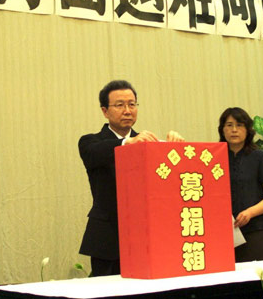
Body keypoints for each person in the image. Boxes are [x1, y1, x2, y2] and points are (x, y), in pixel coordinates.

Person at [78, 80, 184, 277]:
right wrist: (128, 142)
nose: (127, 110)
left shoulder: (149, 143)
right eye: (120, 105)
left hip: (145, 235)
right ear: (105, 111)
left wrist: (174, 148)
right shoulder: (90, 142)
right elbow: (95, 153)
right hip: (108, 237)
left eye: (132, 104)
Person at [219, 107, 263, 262]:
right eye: (229, 125)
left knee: (254, 273)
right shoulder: (213, 158)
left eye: (239, 125)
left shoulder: (260, 158)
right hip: (222, 230)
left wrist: (250, 213)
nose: (234, 130)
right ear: (222, 129)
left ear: (248, 130)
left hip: (255, 228)